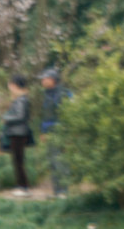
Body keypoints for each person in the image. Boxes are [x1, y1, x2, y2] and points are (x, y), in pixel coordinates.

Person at [39, 67, 71, 198]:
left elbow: (67, 114)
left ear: (52, 80)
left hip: (61, 131)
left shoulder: (63, 94)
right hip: (50, 133)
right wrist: (43, 131)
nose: (42, 81)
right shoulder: (46, 94)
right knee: (52, 161)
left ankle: (64, 191)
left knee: (61, 161)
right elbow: (45, 115)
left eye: (44, 79)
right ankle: (56, 191)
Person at [0, 74, 33, 197]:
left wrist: (6, 118)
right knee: (17, 160)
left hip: (19, 133)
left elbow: (20, 116)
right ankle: (21, 186)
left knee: (19, 161)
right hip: (17, 132)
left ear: (14, 85)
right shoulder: (20, 99)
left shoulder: (21, 100)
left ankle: (24, 187)